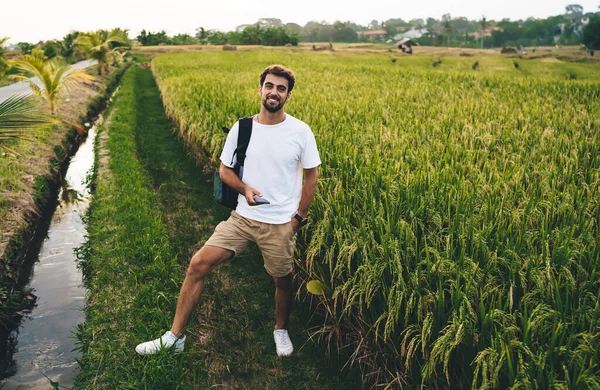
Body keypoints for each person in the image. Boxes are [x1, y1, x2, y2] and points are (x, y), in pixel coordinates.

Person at [135, 64, 321, 357]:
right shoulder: (243, 127)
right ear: (260, 89)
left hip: (278, 224)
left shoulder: (300, 131)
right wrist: (245, 189)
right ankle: (175, 337)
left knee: (282, 280)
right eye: (270, 86)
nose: (274, 92)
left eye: (281, 88)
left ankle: (280, 329)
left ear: (288, 95)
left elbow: (312, 174)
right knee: (198, 263)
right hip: (242, 219)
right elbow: (224, 170)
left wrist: (298, 217)